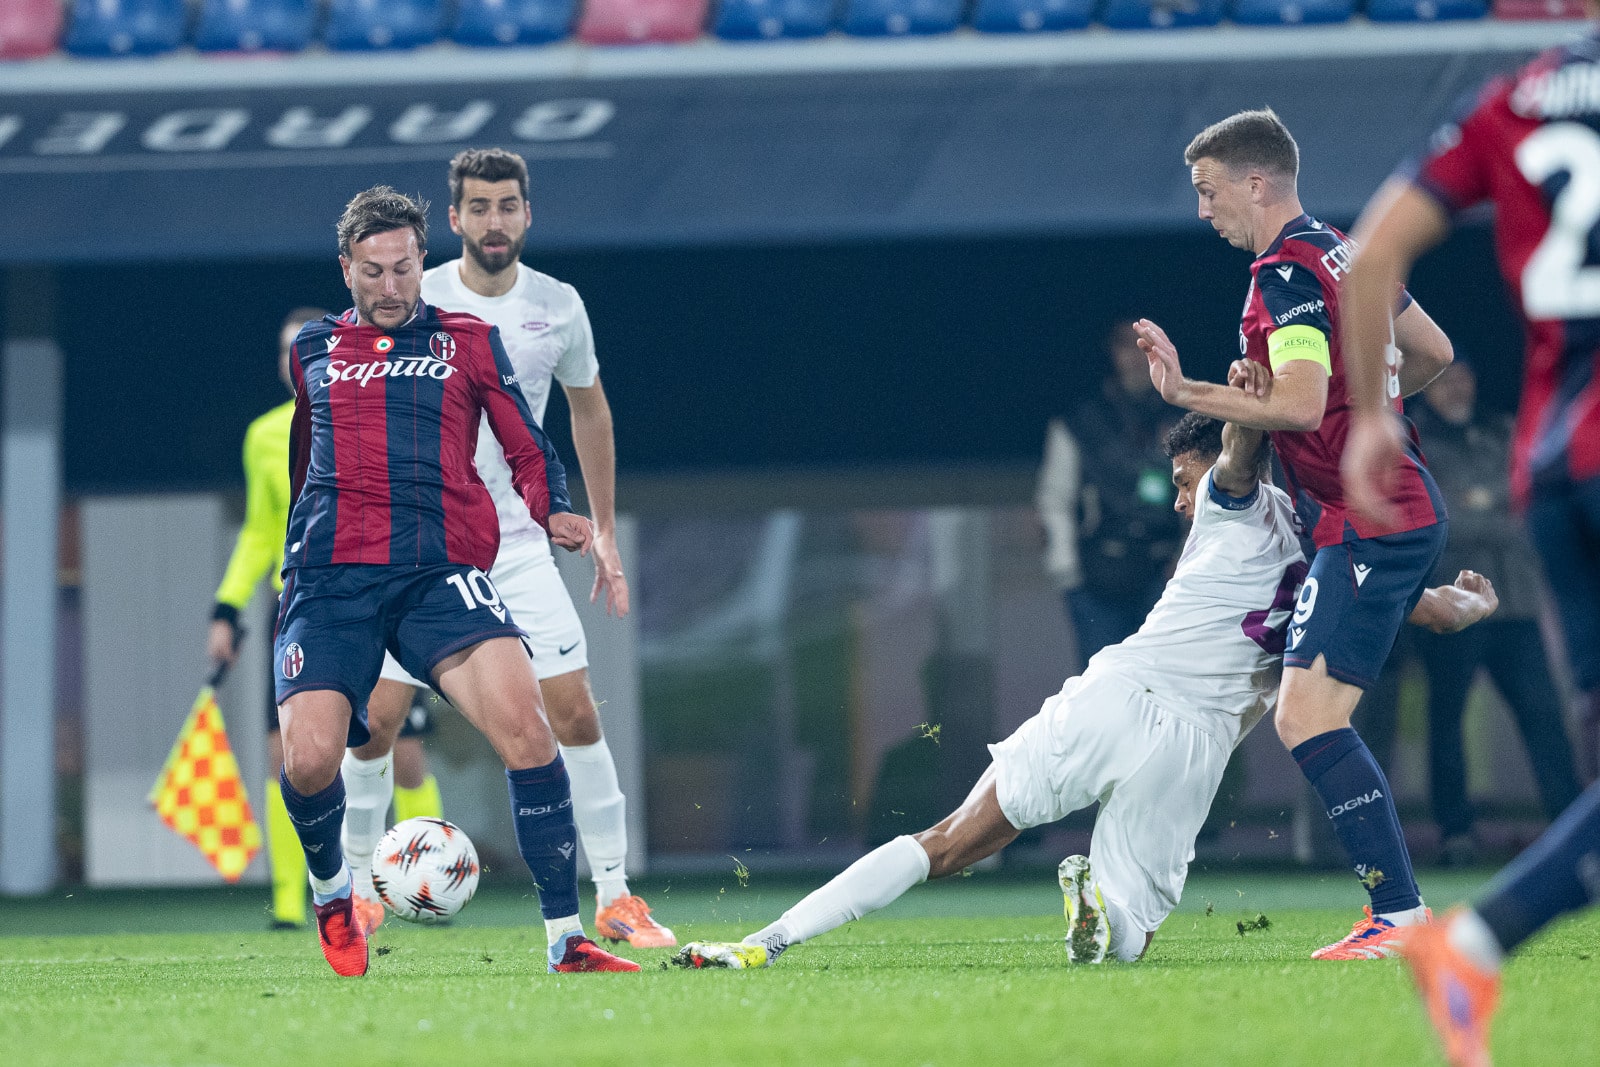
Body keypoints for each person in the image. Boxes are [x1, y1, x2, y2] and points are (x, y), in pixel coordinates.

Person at [670, 410, 1496, 971]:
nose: (1180, 496)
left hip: (1118, 696)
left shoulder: (1230, 500)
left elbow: (1242, 451)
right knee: (1130, 937)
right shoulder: (1327, 553)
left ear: (1212, 463)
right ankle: (1097, 901)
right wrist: (1468, 603)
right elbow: (1427, 608)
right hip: (1191, 751)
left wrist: (1253, 386)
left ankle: (771, 939)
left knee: (950, 839)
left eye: (1183, 475)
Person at [273, 185, 637, 977]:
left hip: (436, 574)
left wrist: (554, 511)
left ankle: (566, 936)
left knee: (531, 730)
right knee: (310, 761)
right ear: (348, 271)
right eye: (374, 270)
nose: (392, 285)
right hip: (332, 579)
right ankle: (335, 892)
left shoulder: (467, 340)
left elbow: (524, 442)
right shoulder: (312, 350)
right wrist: (296, 557)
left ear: (420, 263)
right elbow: (307, 457)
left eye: (405, 267)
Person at [1133, 108, 1456, 960]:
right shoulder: (1343, 249)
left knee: (1306, 717)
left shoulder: (1283, 272)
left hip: (1371, 519)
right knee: (1309, 713)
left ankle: (1399, 913)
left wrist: (1187, 392)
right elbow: (1431, 351)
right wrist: (1364, 405)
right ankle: (1399, 910)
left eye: (1209, 192)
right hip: (1389, 508)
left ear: (1254, 181)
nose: (1205, 212)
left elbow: (1300, 406)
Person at [1340, 25, 1600, 1063]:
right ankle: (1479, 939)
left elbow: (1369, 256)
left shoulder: (1509, 101)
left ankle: (1476, 942)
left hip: (1554, 472)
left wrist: (1369, 416)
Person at [207, 307, 447, 931]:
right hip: (304, 602)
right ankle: (294, 898)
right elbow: (262, 531)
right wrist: (228, 607)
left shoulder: (378, 406)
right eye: (291, 351)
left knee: (405, 753)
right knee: (285, 753)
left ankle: (426, 886)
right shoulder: (264, 435)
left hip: (380, 593)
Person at [1409, 360, 1582, 863]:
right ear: (1427, 385)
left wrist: (1480, 507)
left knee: (1545, 718)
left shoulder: (1501, 430)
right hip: (1452, 603)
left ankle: (1572, 834)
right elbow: (1437, 519)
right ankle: (1455, 833)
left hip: (1516, 603)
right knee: (1447, 721)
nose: (1457, 385)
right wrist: (1494, 509)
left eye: (1464, 375)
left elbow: (1528, 500)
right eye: (1445, 378)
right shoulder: (1413, 437)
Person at [1036, 321, 1185, 666]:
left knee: (1160, 684)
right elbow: (1055, 499)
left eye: (1144, 347)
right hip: (1096, 578)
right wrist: (1067, 572)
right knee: (1101, 684)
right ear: (1110, 352)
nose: (1135, 357)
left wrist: (1183, 561)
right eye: (1125, 347)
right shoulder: (1080, 422)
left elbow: (1199, 500)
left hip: (1162, 574)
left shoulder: (1179, 419)